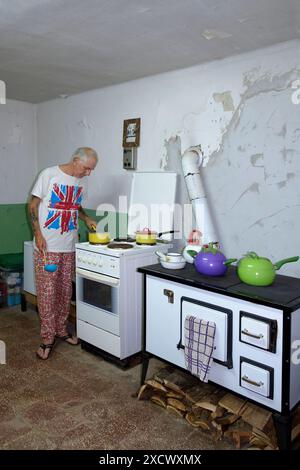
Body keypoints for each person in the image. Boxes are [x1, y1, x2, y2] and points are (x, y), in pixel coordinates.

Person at [28, 147, 98, 360]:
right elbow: (32, 205)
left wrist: (86, 219)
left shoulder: (79, 182)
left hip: (69, 247)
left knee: (65, 291)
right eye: (87, 168)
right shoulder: (49, 175)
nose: (88, 173)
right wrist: (37, 233)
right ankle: (47, 338)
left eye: (91, 170)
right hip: (47, 247)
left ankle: (61, 329)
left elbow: (75, 205)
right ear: (76, 161)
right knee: (47, 294)